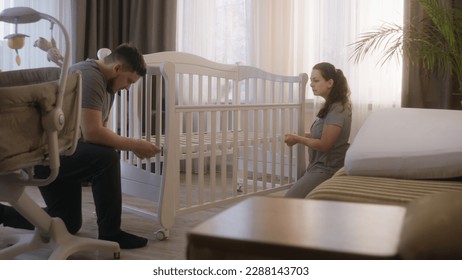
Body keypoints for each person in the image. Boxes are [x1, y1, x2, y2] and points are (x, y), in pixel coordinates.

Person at [0, 43, 161, 249]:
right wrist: (135, 145)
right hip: (47, 153)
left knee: (67, 222)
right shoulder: (90, 76)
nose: (128, 87)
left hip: (62, 150)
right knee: (107, 158)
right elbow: (92, 133)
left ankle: (2, 214)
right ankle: (111, 232)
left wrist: (133, 146)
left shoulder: (108, 85)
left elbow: (98, 131)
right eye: (129, 81)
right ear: (117, 68)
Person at [284, 62, 351, 198]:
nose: (311, 84)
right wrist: (301, 135)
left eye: (316, 80)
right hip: (318, 166)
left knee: (289, 199)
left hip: (327, 168)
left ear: (330, 83)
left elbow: (324, 144)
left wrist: (298, 139)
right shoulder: (330, 106)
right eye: (311, 81)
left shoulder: (337, 109)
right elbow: (321, 135)